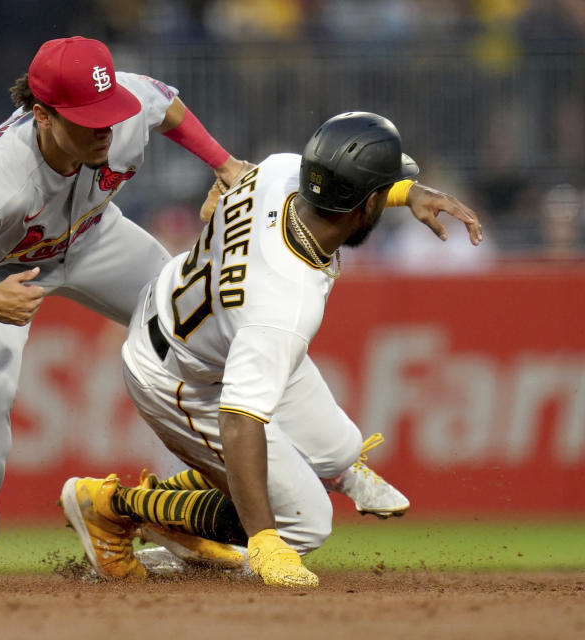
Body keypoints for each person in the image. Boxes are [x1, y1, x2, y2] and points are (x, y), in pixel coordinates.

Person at [0, 35, 267, 587]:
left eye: (109, 113)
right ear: (42, 116)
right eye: (88, 119)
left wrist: (223, 163)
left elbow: (162, 104)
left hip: (92, 237)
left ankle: (181, 522)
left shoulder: (119, 107)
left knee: (197, 336)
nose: (106, 127)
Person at [59, 112, 483, 587]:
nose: (389, 201)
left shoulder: (281, 168)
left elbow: (332, 188)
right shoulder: (286, 301)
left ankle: (197, 508)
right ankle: (115, 507)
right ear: (364, 208)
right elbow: (238, 419)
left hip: (205, 318)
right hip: (180, 374)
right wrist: (262, 537)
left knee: (339, 452)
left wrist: (409, 193)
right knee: (303, 522)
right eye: (385, 195)